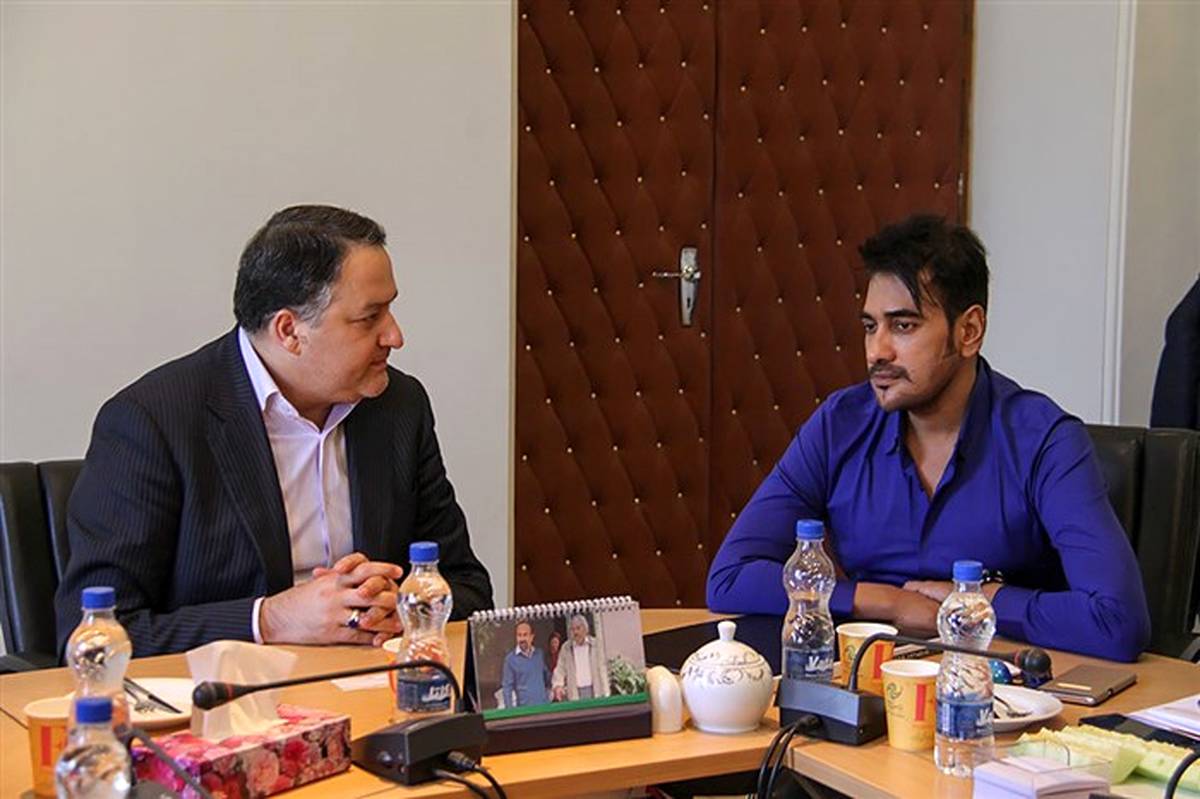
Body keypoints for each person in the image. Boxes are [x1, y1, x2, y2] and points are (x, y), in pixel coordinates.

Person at [706, 214, 1151, 662]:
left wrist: (975, 603)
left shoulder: (1045, 441)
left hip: (1000, 681)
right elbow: (730, 578)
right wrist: (887, 602)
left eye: (904, 326)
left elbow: (1118, 621)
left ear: (969, 331)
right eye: (870, 326)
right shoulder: (840, 425)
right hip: (870, 673)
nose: (877, 351)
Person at [54, 205, 494, 656]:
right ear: (289, 331)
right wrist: (270, 619)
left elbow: (467, 586)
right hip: (232, 693)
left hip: (375, 685)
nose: (395, 336)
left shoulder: (398, 406)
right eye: (370, 317)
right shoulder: (153, 421)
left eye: (391, 310)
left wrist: (400, 608)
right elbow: (89, 636)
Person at [551, 614, 610, 700]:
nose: (575, 632)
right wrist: (558, 685)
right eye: (573, 629)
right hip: (575, 692)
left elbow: (603, 668)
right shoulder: (566, 648)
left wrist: (606, 691)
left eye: (578, 628)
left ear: (586, 629)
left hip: (595, 690)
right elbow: (560, 669)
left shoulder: (596, 645)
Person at [500, 620, 550, 708]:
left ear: (532, 637)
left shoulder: (539, 654)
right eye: (519, 635)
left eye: (525, 635)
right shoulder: (510, 659)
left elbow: (547, 678)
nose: (522, 639)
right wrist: (510, 711)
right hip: (525, 710)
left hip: (544, 707)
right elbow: (507, 688)